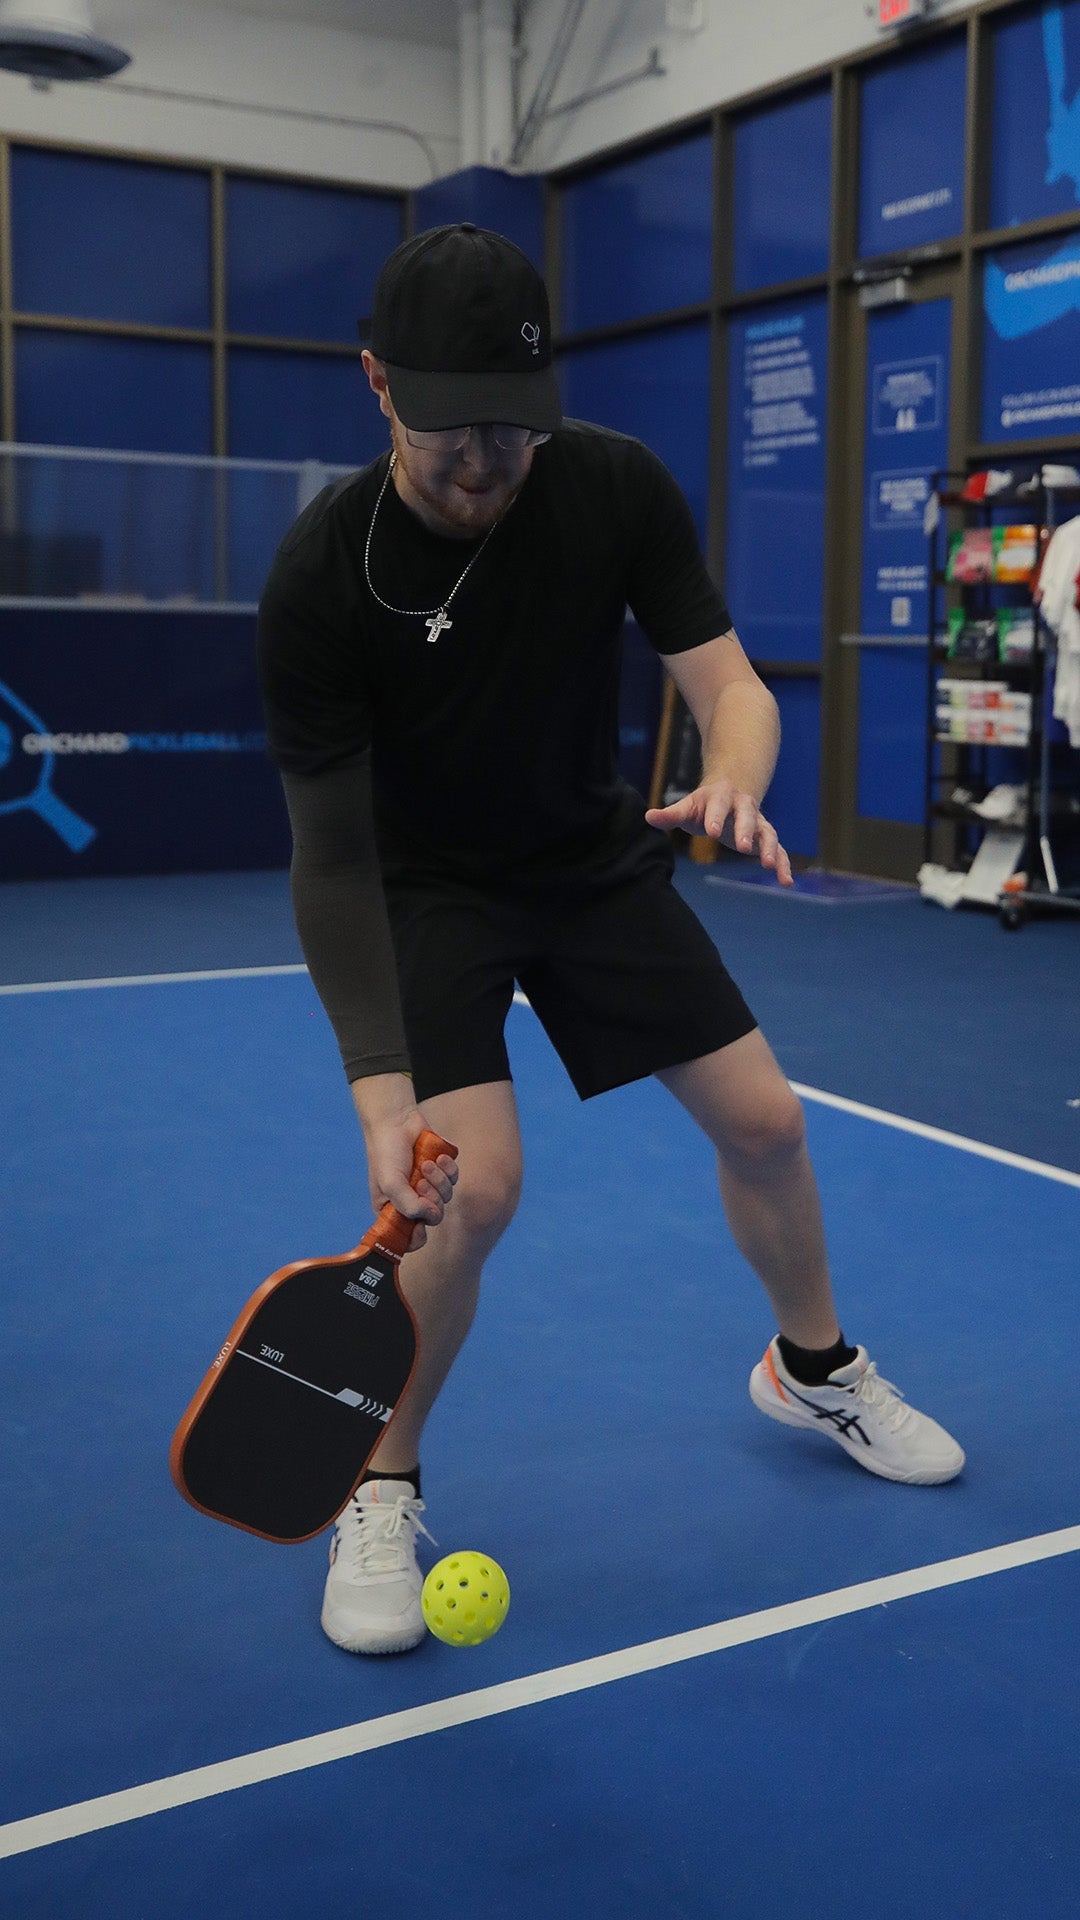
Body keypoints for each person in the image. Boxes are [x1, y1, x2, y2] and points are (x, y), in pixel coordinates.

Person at [257, 223, 964, 1658]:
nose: (486, 465)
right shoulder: (323, 574)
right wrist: (382, 1097)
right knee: (472, 1191)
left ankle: (811, 1366)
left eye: (516, 431)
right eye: (456, 431)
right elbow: (330, 860)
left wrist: (739, 776)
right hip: (425, 887)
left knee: (766, 1121)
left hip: (588, 861)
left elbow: (731, 687)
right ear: (377, 384)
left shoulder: (612, 486)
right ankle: (379, 1480)